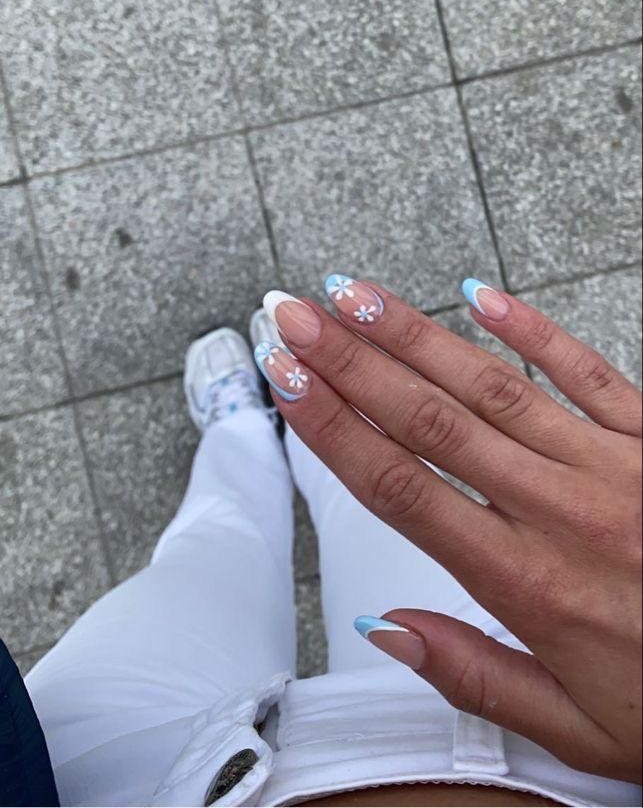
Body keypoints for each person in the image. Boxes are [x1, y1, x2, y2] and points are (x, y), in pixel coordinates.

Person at [18, 275, 642, 807]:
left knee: (212, 542)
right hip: (555, 753)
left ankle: (244, 431)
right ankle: (301, 413)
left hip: (104, 778)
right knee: (384, 503)